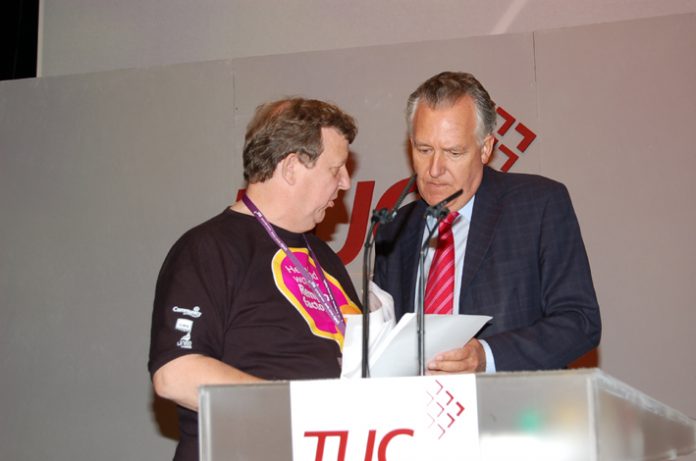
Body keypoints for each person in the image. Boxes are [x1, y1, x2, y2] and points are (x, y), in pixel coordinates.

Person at [148, 97, 361, 461]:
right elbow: (176, 373)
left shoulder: (322, 256)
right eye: (335, 169)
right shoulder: (208, 248)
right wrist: (297, 410)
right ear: (293, 167)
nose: (344, 183)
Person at [374, 71, 601, 374]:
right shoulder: (395, 229)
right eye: (423, 150)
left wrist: (487, 356)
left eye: (454, 152)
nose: (434, 169)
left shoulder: (538, 205)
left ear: (485, 148)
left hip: (516, 411)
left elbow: (579, 321)